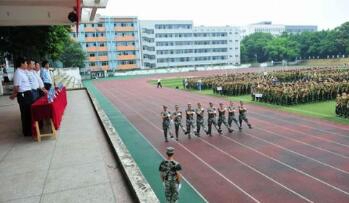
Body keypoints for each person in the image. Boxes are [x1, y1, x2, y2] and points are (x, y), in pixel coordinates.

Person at [10, 57, 33, 137]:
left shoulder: (23, 71)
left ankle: (30, 130)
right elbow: (16, 86)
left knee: (29, 113)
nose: (27, 64)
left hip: (28, 94)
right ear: (21, 64)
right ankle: (26, 132)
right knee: (25, 113)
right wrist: (14, 95)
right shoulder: (18, 73)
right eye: (26, 63)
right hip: (23, 95)